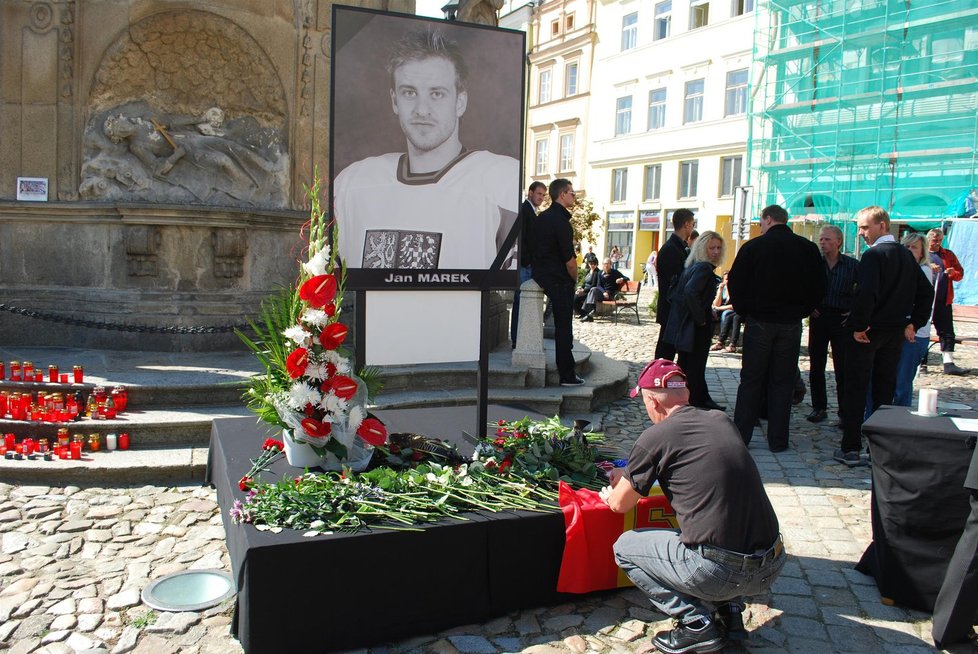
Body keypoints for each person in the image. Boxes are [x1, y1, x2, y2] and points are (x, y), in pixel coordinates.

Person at [603, 359, 785, 654]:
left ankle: (695, 624)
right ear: (685, 393)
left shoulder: (656, 437)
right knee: (719, 518)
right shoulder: (722, 420)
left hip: (720, 572)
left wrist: (617, 483)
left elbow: (620, 505)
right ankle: (731, 614)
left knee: (625, 547)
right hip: (771, 564)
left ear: (651, 400)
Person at [334, 28, 519, 270]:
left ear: (460, 102)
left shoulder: (501, 181)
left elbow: (504, 297)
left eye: (437, 94)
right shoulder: (352, 183)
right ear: (394, 101)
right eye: (409, 93)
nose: (422, 109)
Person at [835, 206, 934, 466]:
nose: (861, 233)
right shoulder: (905, 256)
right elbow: (926, 293)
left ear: (882, 226)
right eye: (859, 227)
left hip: (870, 332)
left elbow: (868, 292)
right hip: (893, 332)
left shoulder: (875, 255)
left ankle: (851, 447)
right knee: (883, 390)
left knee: (857, 388)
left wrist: (859, 325)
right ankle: (877, 448)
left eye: (865, 227)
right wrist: (913, 322)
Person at [728, 204, 825, 453]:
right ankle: (778, 440)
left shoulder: (754, 247)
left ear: (768, 220)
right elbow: (820, 285)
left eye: (761, 221)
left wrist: (744, 310)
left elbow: (736, 282)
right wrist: (802, 310)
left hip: (760, 320)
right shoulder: (807, 248)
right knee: (782, 382)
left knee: (751, 380)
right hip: (790, 322)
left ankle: (741, 436)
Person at [528, 179, 583, 386]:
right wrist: (575, 278)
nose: (573, 196)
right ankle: (567, 375)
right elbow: (570, 260)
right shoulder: (561, 222)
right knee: (564, 328)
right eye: (572, 193)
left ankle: (567, 373)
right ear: (562, 195)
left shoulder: (542, 218)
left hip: (540, 274)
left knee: (562, 327)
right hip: (559, 279)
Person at [663, 232, 725, 410]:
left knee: (688, 364)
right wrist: (701, 319)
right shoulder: (703, 268)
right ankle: (693, 400)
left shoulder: (693, 266)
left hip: (686, 324)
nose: (715, 252)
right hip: (694, 326)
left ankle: (695, 398)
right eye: (711, 248)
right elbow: (691, 293)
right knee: (694, 365)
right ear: (702, 248)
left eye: (718, 248)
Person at [806, 225, 858, 424]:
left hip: (841, 318)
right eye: (821, 239)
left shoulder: (852, 265)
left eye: (827, 239)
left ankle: (845, 411)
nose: (823, 243)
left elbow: (864, 290)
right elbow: (804, 287)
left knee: (842, 367)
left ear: (838, 242)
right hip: (819, 317)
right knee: (816, 365)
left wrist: (853, 311)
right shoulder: (814, 264)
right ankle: (819, 407)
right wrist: (809, 307)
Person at [892, 233, 938, 406]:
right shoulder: (902, 270)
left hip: (914, 333)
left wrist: (911, 325)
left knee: (902, 381)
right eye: (907, 247)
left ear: (922, 252)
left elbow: (919, 302)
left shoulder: (923, 271)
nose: (910, 250)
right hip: (900, 329)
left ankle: (900, 418)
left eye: (914, 247)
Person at [654, 210, 695, 360]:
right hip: (672, 309)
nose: (693, 227)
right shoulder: (671, 249)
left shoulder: (680, 247)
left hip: (676, 309)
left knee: (672, 351)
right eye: (693, 224)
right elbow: (675, 283)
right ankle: (657, 379)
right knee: (665, 353)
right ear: (686, 224)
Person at [511, 181, 547, 347]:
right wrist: (528, 261)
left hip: (528, 264)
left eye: (543, 195)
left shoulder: (532, 211)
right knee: (521, 301)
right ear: (530, 193)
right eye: (539, 194)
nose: (541, 197)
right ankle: (518, 340)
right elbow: (523, 239)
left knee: (523, 301)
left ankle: (520, 339)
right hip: (524, 265)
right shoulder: (525, 210)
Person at [927, 228, 966, 375]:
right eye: (934, 240)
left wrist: (952, 273)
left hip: (944, 299)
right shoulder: (921, 253)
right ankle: (922, 362)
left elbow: (959, 273)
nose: (937, 243)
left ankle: (948, 363)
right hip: (925, 300)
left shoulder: (947, 254)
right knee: (922, 331)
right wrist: (928, 267)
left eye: (940, 240)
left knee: (947, 331)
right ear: (928, 240)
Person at [711, 271, 741, 353]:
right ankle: (720, 342)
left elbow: (734, 306)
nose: (728, 281)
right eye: (727, 279)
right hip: (720, 309)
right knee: (725, 314)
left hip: (731, 310)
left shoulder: (736, 289)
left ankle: (730, 344)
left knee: (727, 315)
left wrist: (720, 308)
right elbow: (715, 304)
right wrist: (720, 291)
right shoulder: (721, 288)